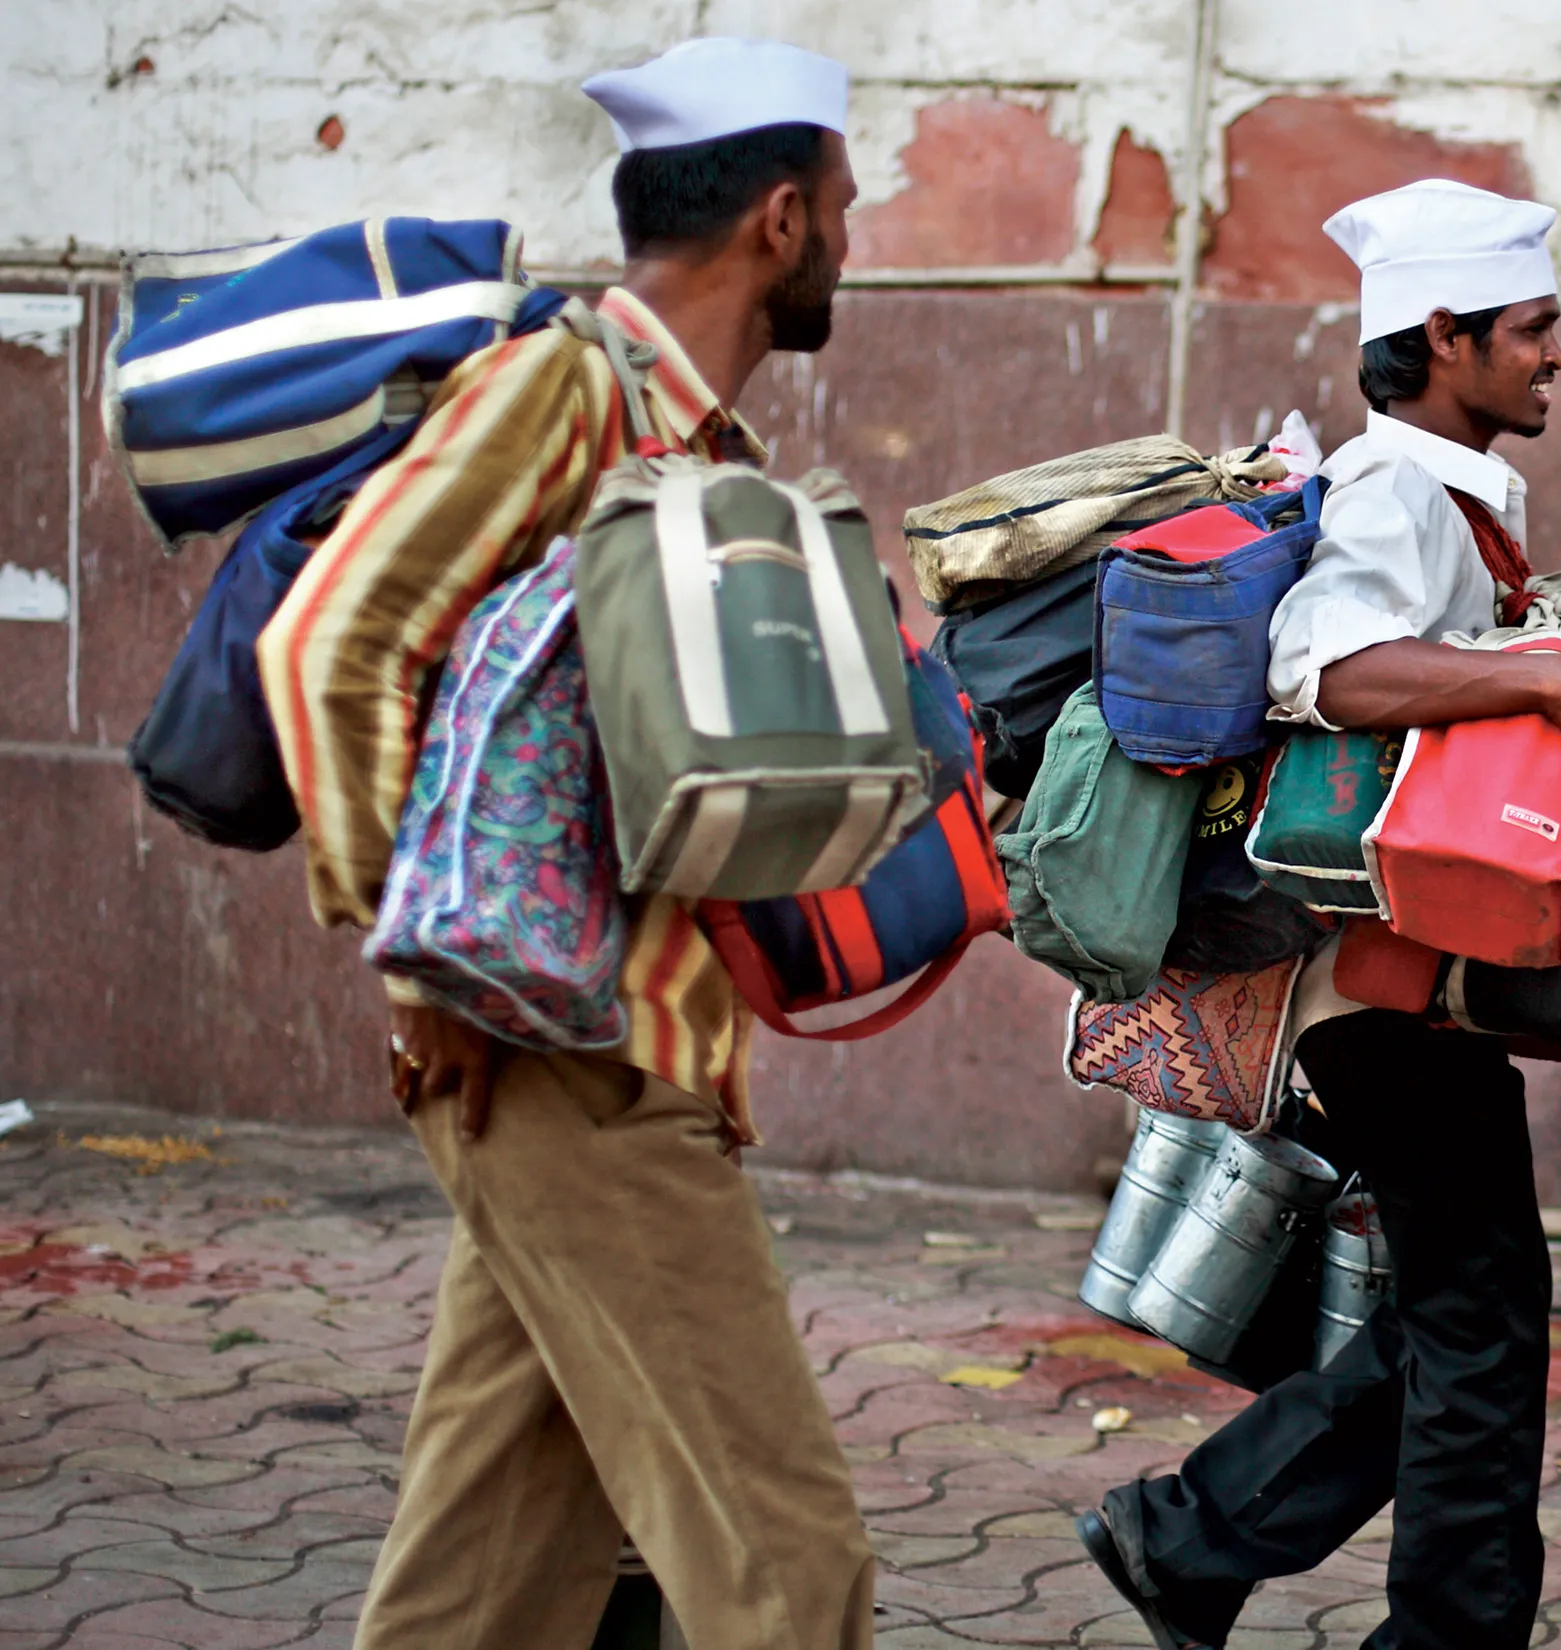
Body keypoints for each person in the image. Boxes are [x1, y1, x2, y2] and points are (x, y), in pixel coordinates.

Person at [258, 38, 875, 1650]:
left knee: (488, 1589)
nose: (852, 247)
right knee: (788, 1572)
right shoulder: (566, 389)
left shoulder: (698, 453)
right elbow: (331, 641)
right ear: (785, 220)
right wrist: (421, 969)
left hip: (620, 1051)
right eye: (850, 211)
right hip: (567, 1059)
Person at [1076, 180, 1561, 1649]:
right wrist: (1548, 680)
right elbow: (1326, 670)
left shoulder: (1454, 492)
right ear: (1445, 335)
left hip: (1405, 975)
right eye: (1531, 331)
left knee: (1461, 1307)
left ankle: (1192, 1537)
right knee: (1479, 1315)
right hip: (1367, 987)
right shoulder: (1399, 488)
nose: (1554, 357)